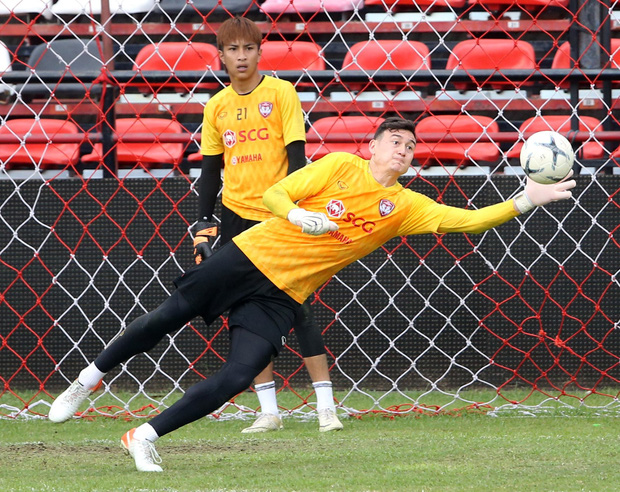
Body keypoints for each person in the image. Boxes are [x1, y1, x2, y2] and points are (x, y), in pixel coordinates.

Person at [49, 117, 576, 472]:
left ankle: (143, 436)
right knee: (167, 317)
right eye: (396, 140)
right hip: (248, 256)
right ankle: (85, 381)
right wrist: (297, 214)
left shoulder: (408, 206)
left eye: (412, 146)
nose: (405, 149)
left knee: (238, 375)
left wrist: (524, 199)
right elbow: (276, 192)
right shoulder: (341, 166)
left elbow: (469, 221)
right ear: (373, 146)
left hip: (281, 294)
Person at [193, 16, 341, 433]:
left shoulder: (281, 93)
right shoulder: (215, 106)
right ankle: (268, 412)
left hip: (280, 215)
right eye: (233, 50)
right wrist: (204, 225)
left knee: (297, 308)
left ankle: (325, 407)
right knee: (243, 313)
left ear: (260, 52)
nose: (241, 57)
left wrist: (298, 210)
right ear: (220, 56)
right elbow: (209, 172)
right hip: (236, 218)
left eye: (249, 49)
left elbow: (298, 161)